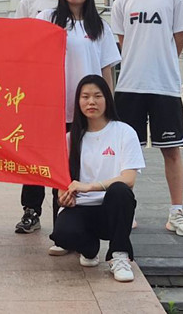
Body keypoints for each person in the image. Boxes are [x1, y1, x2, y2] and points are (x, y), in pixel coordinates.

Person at [111, 0, 183, 237]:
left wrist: (161, 64)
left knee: (171, 151)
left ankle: (176, 213)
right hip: (129, 87)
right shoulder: (123, 0)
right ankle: (125, 211)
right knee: (125, 153)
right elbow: (122, 44)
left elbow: (179, 40)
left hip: (164, 87)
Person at [36, 0, 122, 253]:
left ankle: (85, 228)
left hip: (90, 110)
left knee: (84, 168)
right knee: (59, 170)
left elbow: (107, 70)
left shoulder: (100, 27)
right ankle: (61, 234)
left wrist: (109, 108)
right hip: (56, 108)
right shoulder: (48, 19)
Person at [49, 75, 145, 283]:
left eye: (97, 96)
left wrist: (90, 187)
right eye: (85, 97)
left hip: (111, 209)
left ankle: (119, 255)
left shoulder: (124, 132)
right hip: (81, 207)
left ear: (107, 99)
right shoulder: (70, 138)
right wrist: (63, 197)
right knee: (62, 234)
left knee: (120, 190)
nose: (91, 102)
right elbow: (62, 183)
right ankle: (89, 249)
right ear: (78, 102)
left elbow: (129, 179)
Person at [12, 0, 70, 234]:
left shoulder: (76, 0)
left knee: (67, 154)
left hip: (70, 91)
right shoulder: (29, 3)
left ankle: (65, 211)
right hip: (37, 92)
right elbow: (17, 44)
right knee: (34, 154)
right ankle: (31, 211)